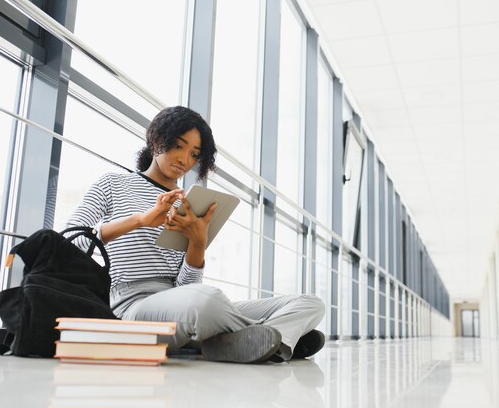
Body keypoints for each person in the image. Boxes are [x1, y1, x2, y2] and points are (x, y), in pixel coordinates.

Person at [66, 105, 325, 363]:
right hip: (132, 304)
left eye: (194, 154)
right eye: (178, 146)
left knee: (311, 303)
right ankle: (273, 338)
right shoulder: (114, 184)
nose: (184, 160)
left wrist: (198, 243)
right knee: (208, 300)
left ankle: (254, 341)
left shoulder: (189, 203)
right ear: (157, 140)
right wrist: (139, 220)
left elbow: (186, 288)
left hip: (182, 301)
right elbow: (69, 241)